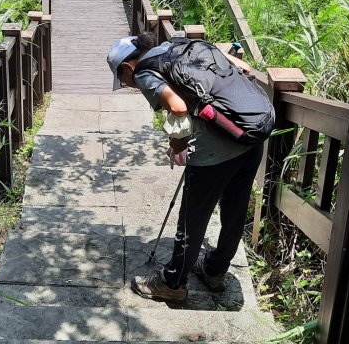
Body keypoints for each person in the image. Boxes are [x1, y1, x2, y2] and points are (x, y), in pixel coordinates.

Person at [107, 33, 263, 304]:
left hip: (215, 153)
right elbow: (244, 68)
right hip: (248, 137)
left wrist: (177, 145)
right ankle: (215, 271)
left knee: (192, 219)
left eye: (123, 79)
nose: (129, 85)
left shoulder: (146, 72)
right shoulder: (180, 46)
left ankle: (173, 284)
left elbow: (178, 107)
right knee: (234, 211)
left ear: (127, 67)